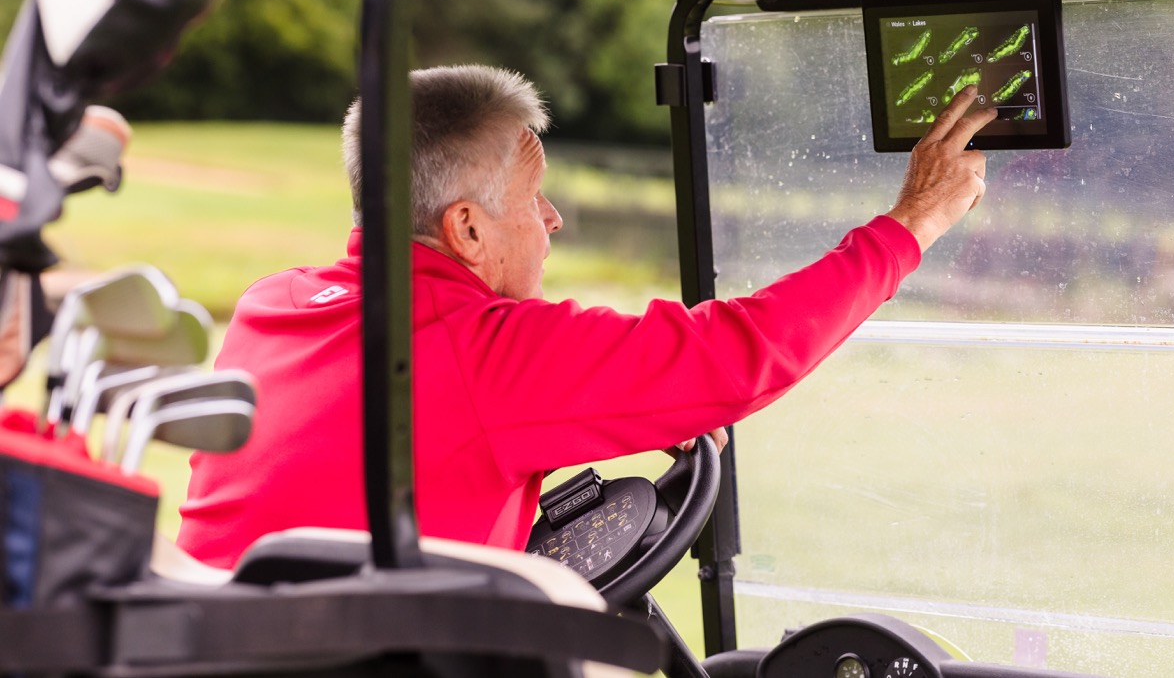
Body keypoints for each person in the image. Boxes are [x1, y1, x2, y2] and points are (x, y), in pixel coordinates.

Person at [177, 65, 994, 569]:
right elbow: (739, 356)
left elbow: (415, 447)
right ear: (466, 228)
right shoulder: (483, 354)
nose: (554, 220)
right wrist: (910, 225)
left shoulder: (270, 307)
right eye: (535, 201)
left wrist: (618, 415)